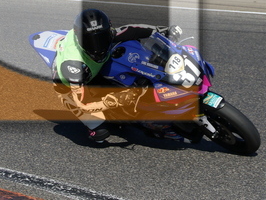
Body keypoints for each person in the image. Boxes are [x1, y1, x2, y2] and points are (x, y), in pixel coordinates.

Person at [52, 8, 183, 142]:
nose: (97, 46)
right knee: (100, 134)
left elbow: (131, 30)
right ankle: (98, 126)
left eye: (102, 38)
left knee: (132, 51)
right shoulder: (73, 66)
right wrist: (114, 100)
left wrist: (162, 31)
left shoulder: (109, 33)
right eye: (90, 41)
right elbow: (83, 104)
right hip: (70, 88)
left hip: (95, 66)